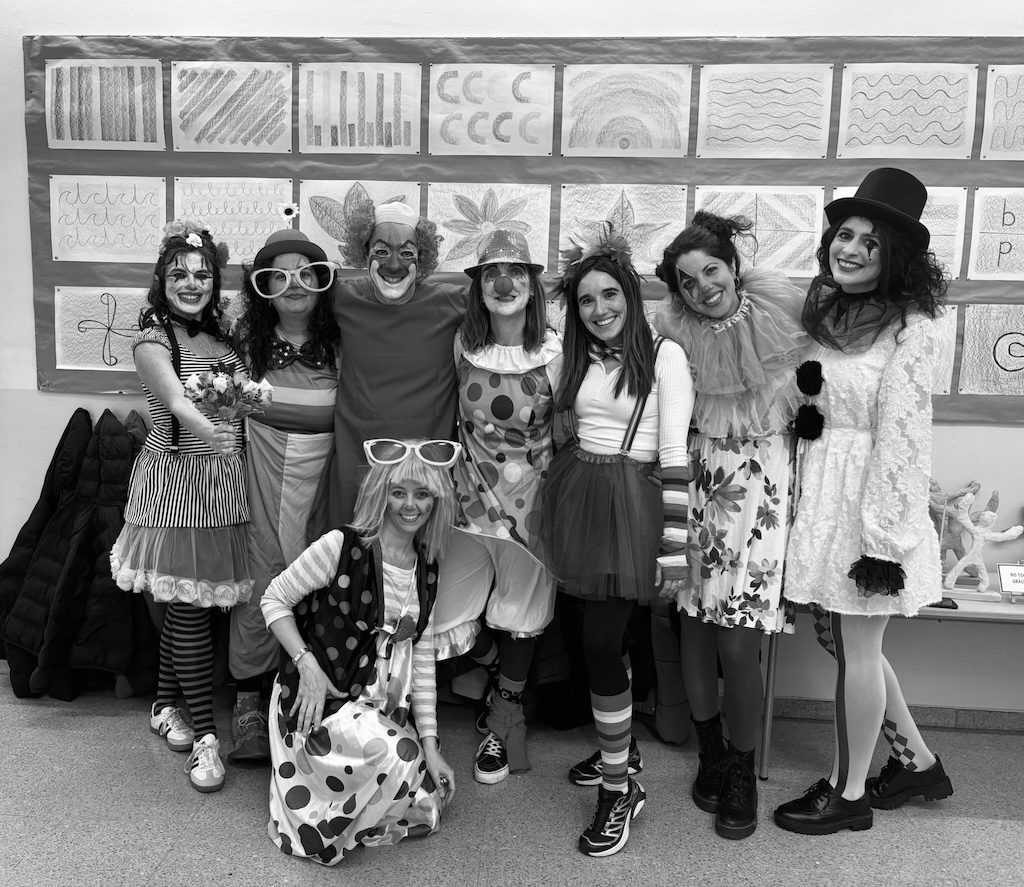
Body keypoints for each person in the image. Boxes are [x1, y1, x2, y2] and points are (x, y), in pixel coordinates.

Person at [774, 167, 954, 835]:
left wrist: (883, 542)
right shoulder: (827, 312)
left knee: (856, 643)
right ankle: (918, 764)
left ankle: (848, 793)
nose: (849, 249)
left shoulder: (910, 326)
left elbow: (904, 438)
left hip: (866, 503)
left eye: (869, 242)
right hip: (824, 491)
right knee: (843, 638)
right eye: (844, 235)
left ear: (894, 257)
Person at [653, 210, 808, 839]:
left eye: (711, 271)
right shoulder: (675, 334)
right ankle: (711, 754)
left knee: (738, 642)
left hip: (764, 490)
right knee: (694, 628)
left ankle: (742, 768)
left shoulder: (779, 313)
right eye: (687, 282)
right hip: (700, 485)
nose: (703, 288)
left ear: (733, 266)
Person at [542, 227, 694, 857]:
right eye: (585, 300)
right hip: (581, 496)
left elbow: (676, 452)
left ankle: (618, 790)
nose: (599, 309)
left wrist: (675, 545)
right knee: (600, 637)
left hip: (633, 506)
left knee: (601, 643)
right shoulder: (574, 357)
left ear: (631, 295)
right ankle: (622, 751)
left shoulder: (664, 357)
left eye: (610, 295)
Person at [261, 438, 459, 865]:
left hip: (380, 705)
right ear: (380, 494)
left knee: (427, 802)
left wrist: (431, 745)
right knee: (398, 756)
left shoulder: (427, 564)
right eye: (399, 492)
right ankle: (319, 798)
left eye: (422, 494)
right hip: (324, 698)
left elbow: (422, 661)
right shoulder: (342, 546)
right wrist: (307, 666)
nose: (411, 505)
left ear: (437, 499)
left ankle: (370, 777)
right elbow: (273, 599)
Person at [110, 219, 251, 793]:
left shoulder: (226, 341)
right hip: (175, 484)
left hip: (226, 487)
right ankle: (205, 738)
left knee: (184, 605)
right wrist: (211, 429)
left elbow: (245, 401)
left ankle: (164, 705)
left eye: (202, 274)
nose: (191, 283)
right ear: (162, 281)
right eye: (179, 274)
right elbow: (173, 399)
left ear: (215, 282)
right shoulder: (152, 339)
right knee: (189, 607)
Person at [432, 231, 562, 785]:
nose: (504, 284)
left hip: (532, 507)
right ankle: (500, 679)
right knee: (446, 614)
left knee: (521, 616)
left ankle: (504, 718)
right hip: (467, 501)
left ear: (531, 287)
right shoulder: (462, 346)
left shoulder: (557, 353)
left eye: (515, 273)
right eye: (491, 274)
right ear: (479, 289)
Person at [227, 229, 341, 760]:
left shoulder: (341, 343)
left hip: (324, 485)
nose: (294, 282)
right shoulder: (244, 344)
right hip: (261, 483)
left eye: (305, 272)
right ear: (264, 287)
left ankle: (307, 692)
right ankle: (248, 701)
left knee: (317, 581)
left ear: (321, 282)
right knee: (261, 580)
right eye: (280, 274)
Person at [329, 201, 468, 525]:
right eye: (382, 251)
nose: (394, 264)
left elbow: (503, 303)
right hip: (358, 461)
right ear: (364, 253)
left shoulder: (450, 301)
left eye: (407, 253)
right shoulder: (342, 298)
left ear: (422, 258)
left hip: (423, 467)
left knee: (421, 548)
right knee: (355, 546)